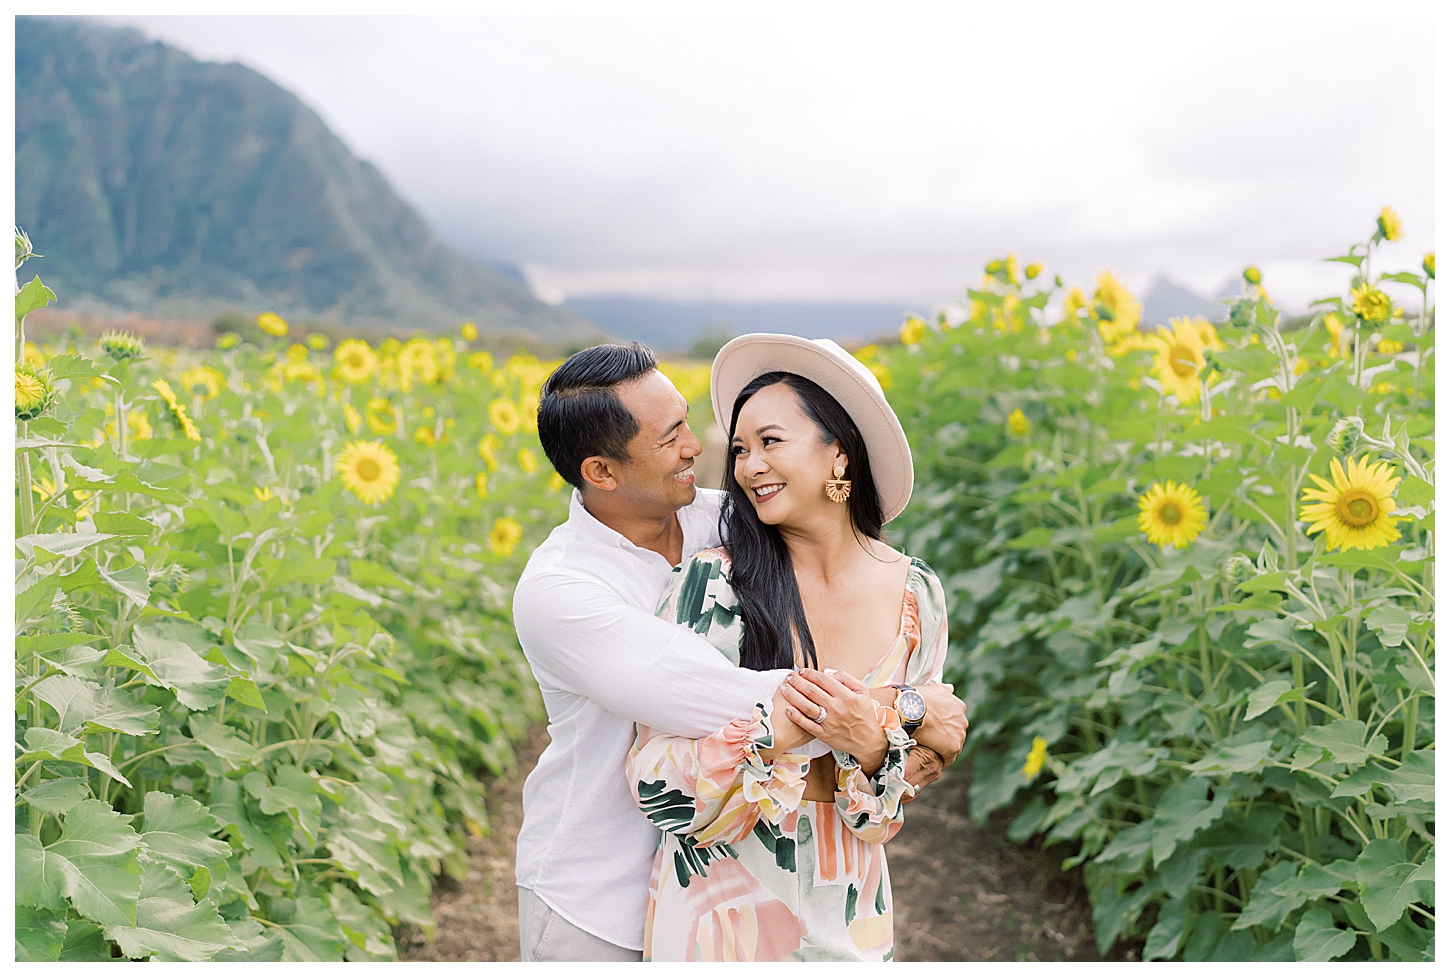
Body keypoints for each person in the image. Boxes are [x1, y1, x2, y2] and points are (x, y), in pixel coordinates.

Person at [513, 341, 968, 962]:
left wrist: (884, 745)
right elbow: (710, 696)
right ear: (602, 472)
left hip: (837, 904)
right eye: (671, 435)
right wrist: (904, 708)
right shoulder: (562, 590)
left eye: (766, 443)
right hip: (603, 886)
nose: (703, 450)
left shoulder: (736, 520)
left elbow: (909, 775)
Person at [625, 334, 943, 961]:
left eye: (770, 442)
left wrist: (877, 743)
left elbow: (889, 809)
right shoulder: (713, 586)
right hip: (719, 923)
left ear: (839, 456)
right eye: (740, 449)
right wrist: (789, 728)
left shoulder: (916, 593)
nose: (748, 466)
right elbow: (657, 787)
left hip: (851, 919)